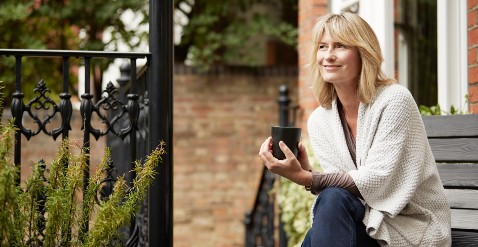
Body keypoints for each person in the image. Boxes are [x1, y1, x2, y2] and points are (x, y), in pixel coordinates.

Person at [258, 12, 451, 246]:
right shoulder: (321, 120)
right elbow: (345, 195)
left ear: (363, 52)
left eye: (340, 46)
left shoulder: (394, 101)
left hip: (410, 228)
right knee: (330, 204)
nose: (328, 56)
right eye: (322, 46)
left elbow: (377, 182)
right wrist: (309, 173)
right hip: (368, 226)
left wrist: (306, 178)